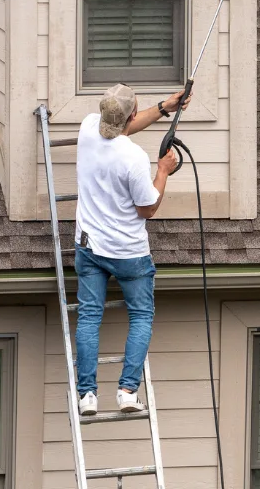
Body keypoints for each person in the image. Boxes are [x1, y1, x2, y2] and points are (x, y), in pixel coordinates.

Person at [74, 83, 190, 416]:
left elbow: (123, 126)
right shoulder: (134, 158)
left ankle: (87, 397)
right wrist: (163, 171)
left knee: (89, 318)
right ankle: (126, 392)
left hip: (89, 247)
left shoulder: (87, 127)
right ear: (132, 116)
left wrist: (166, 108)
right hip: (128, 254)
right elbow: (148, 208)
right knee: (140, 316)